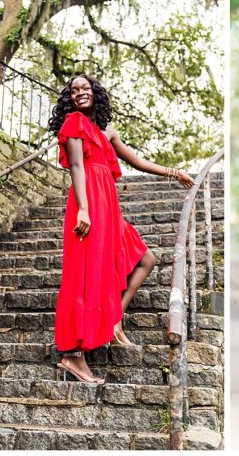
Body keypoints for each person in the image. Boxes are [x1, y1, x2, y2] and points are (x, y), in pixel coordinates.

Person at [47, 73, 195, 384]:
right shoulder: (73, 122)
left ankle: (113, 321)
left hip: (108, 207)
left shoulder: (106, 131)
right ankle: (73, 355)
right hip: (88, 203)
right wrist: (84, 209)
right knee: (84, 274)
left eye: (85, 88)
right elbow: (76, 166)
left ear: (95, 92)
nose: (79, 93)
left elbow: (137, 162)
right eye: (73, 90)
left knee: (145, 259)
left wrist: (174, 172)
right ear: (69, 98)